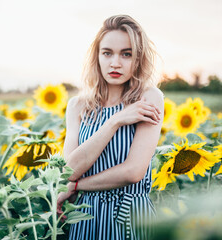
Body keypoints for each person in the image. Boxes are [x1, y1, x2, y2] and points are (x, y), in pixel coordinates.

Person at [57, 15, 164, 240]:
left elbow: (133, 172)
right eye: (107, 53)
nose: (115, 63)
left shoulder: (148, 98)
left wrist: (77, 186)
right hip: (86, 218)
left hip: (131, 217)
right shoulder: (77, 106)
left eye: (127, 54)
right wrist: (114, 121)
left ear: (139, 59)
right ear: (97, 57)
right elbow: (69, 170)